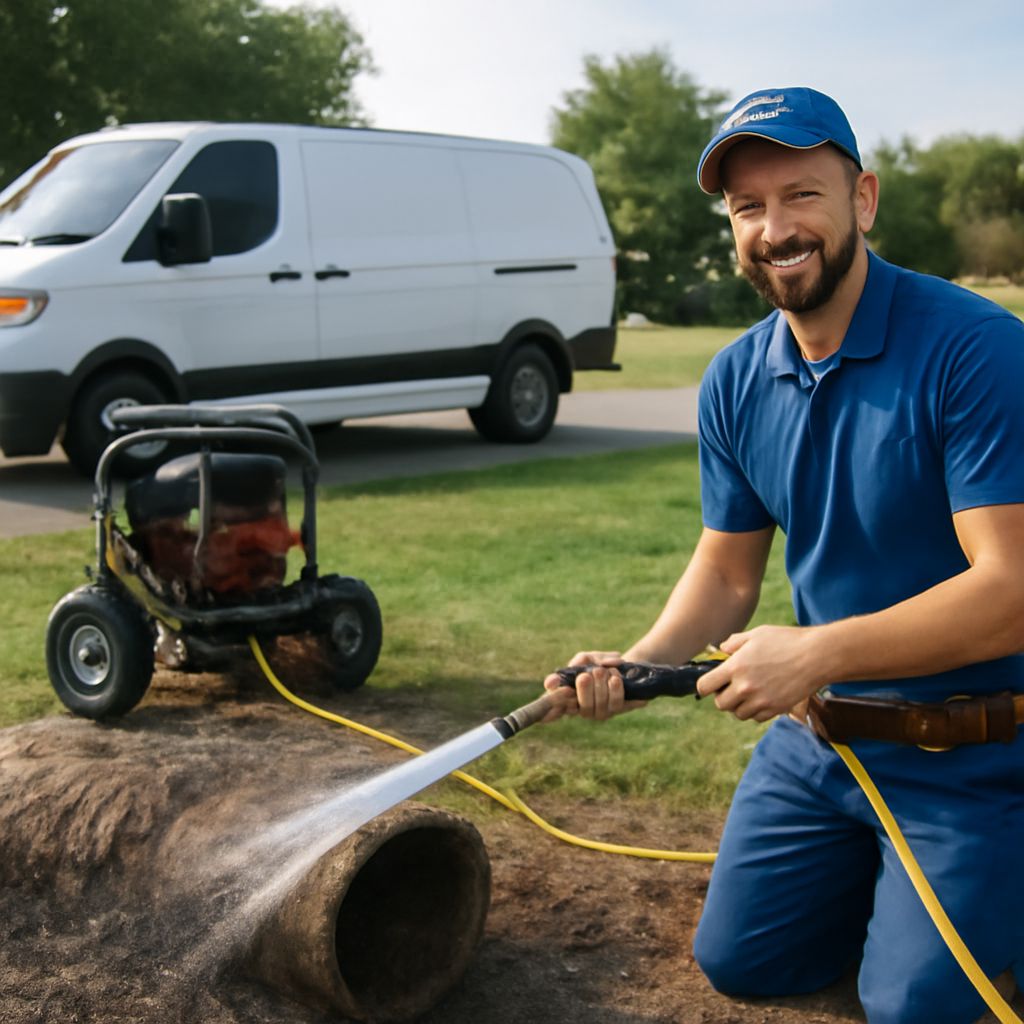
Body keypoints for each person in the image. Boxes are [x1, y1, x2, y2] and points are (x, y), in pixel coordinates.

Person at [542, 87, 1024, 1024]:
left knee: (913, 1010)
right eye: (748, 207)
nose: (775, 229)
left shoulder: (977, 350)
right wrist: (638, 664)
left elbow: (1011, 591)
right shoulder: (734, 377)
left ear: (863, 200)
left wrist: (817, 652)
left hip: (973, 756)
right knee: (742, 960)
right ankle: (907, 896)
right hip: (822, 744)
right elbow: (728, 573)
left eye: (802, 195)